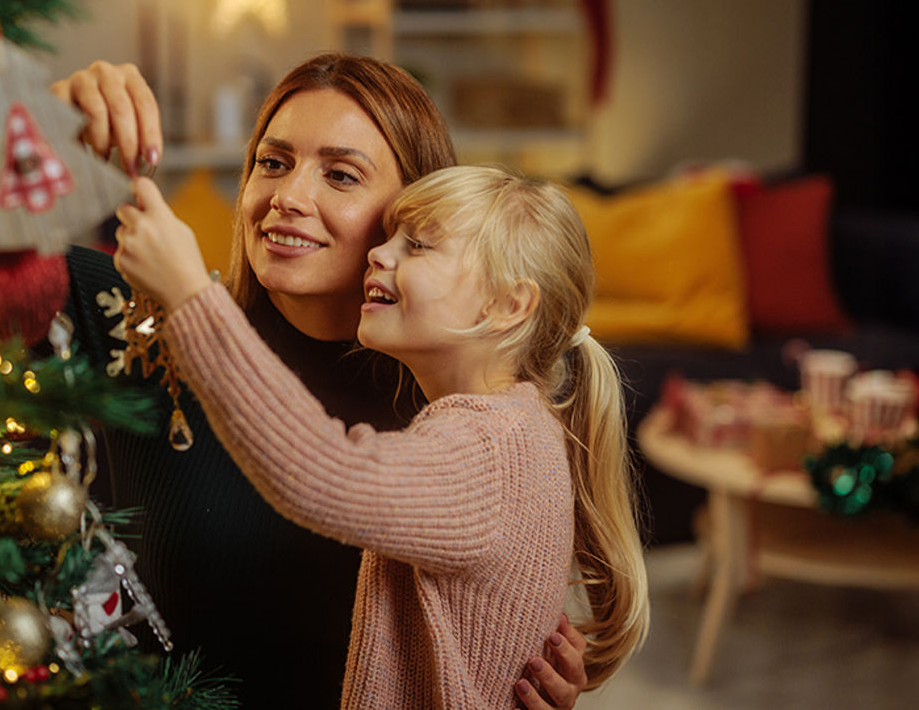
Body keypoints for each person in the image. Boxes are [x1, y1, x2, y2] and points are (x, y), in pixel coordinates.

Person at [52, 54, 590, 708]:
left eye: (340, 174)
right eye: (272, 163)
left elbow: (328, 473)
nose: (288, 197)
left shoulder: (457, 415)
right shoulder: (138, 317)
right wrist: (41, 122)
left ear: (413, 206)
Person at [112, 164, 650, 708]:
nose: (378, 253)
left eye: (417, 245)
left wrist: (188, 296)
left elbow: (326, 473)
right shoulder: (519, 424)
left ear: (509, 305)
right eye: (387, 236)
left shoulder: (489, 448)